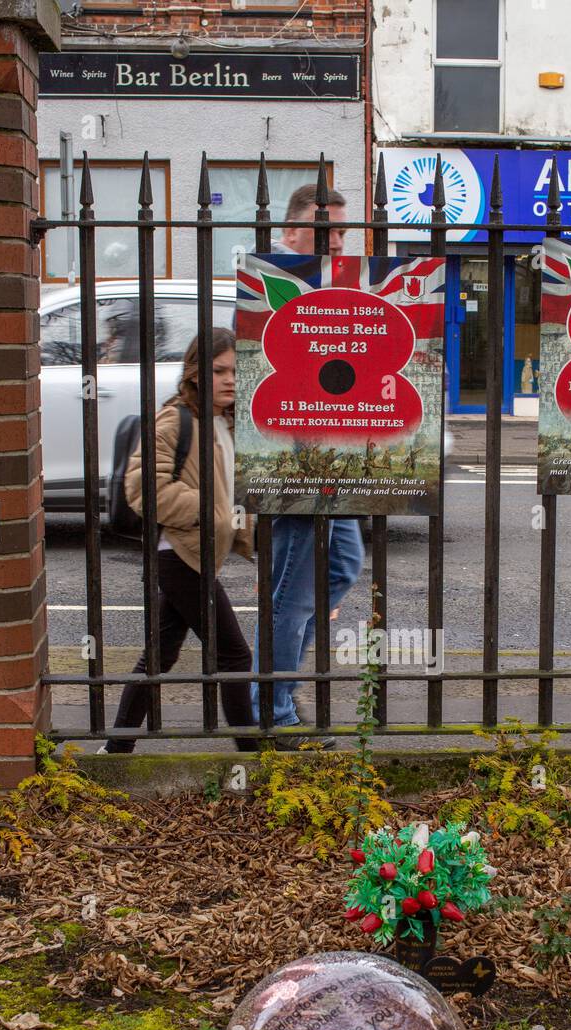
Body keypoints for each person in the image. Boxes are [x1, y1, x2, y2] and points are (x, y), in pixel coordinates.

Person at [246, 183, 365, 748]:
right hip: (293, 458)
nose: (338, 241)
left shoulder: (342, 285)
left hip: (335, 458)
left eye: (342, 232)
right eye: (326, 231)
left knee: (341, 565)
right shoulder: (277, 286)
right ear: (292, 231)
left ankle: (281, 691)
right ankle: (274, 710)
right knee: (291, 594)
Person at [100, 328, 258, 753]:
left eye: (235, 371)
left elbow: (232, 495)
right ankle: (255, 754)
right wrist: (210, 511)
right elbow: (144, 490)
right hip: (181, 556)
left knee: (159, 656)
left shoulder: (224, 422)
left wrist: (248, 537)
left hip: (199, 554)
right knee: (234, 656)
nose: (229, 379)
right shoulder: (176, 419)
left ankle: (117, 747)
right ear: (195, 372)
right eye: (218, 370)